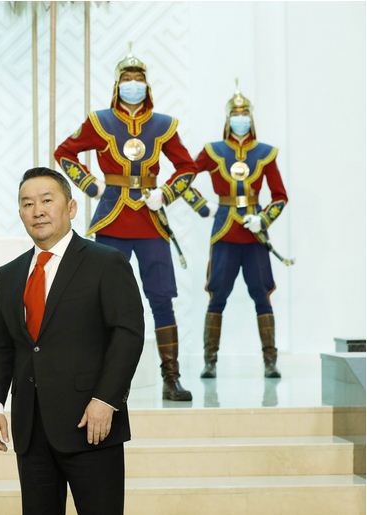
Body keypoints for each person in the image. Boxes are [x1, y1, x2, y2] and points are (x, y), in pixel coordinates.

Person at [0, 168, 144, 515]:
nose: (37, 211)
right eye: (27, 204)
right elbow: (1, 346)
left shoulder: (106, 262)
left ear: (70, 207)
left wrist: (106, 399)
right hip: (31, 428)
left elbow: (128, 335)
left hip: (92, 422)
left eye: (46, 200)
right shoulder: (9, 274)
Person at [53, 47, 197, 401]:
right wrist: (91, 185)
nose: (134, 84)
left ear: (147, 85)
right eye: (127, 79)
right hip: (112, 219)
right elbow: (64, 152)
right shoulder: (100, 121)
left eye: (139, 79)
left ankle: (171, 377)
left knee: (161, 298)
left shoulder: (163, 125)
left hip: (150, 221)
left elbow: (188, 167)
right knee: (104, 302)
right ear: (118, 85)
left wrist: (165, 193)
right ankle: (104, 381)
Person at [182, 83, 288, 378]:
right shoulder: (213, 151)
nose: (240, 119)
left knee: (261, 295)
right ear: (228, 119)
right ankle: (210, 362)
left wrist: (263, 219)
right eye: (235, 114)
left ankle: (270, 361)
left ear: (251, 118)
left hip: (254, 235)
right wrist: (203, 206)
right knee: (217, 295)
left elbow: (280, 196)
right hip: (224, 233)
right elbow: (184, 177)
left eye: (245, 114)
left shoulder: (265, 153)